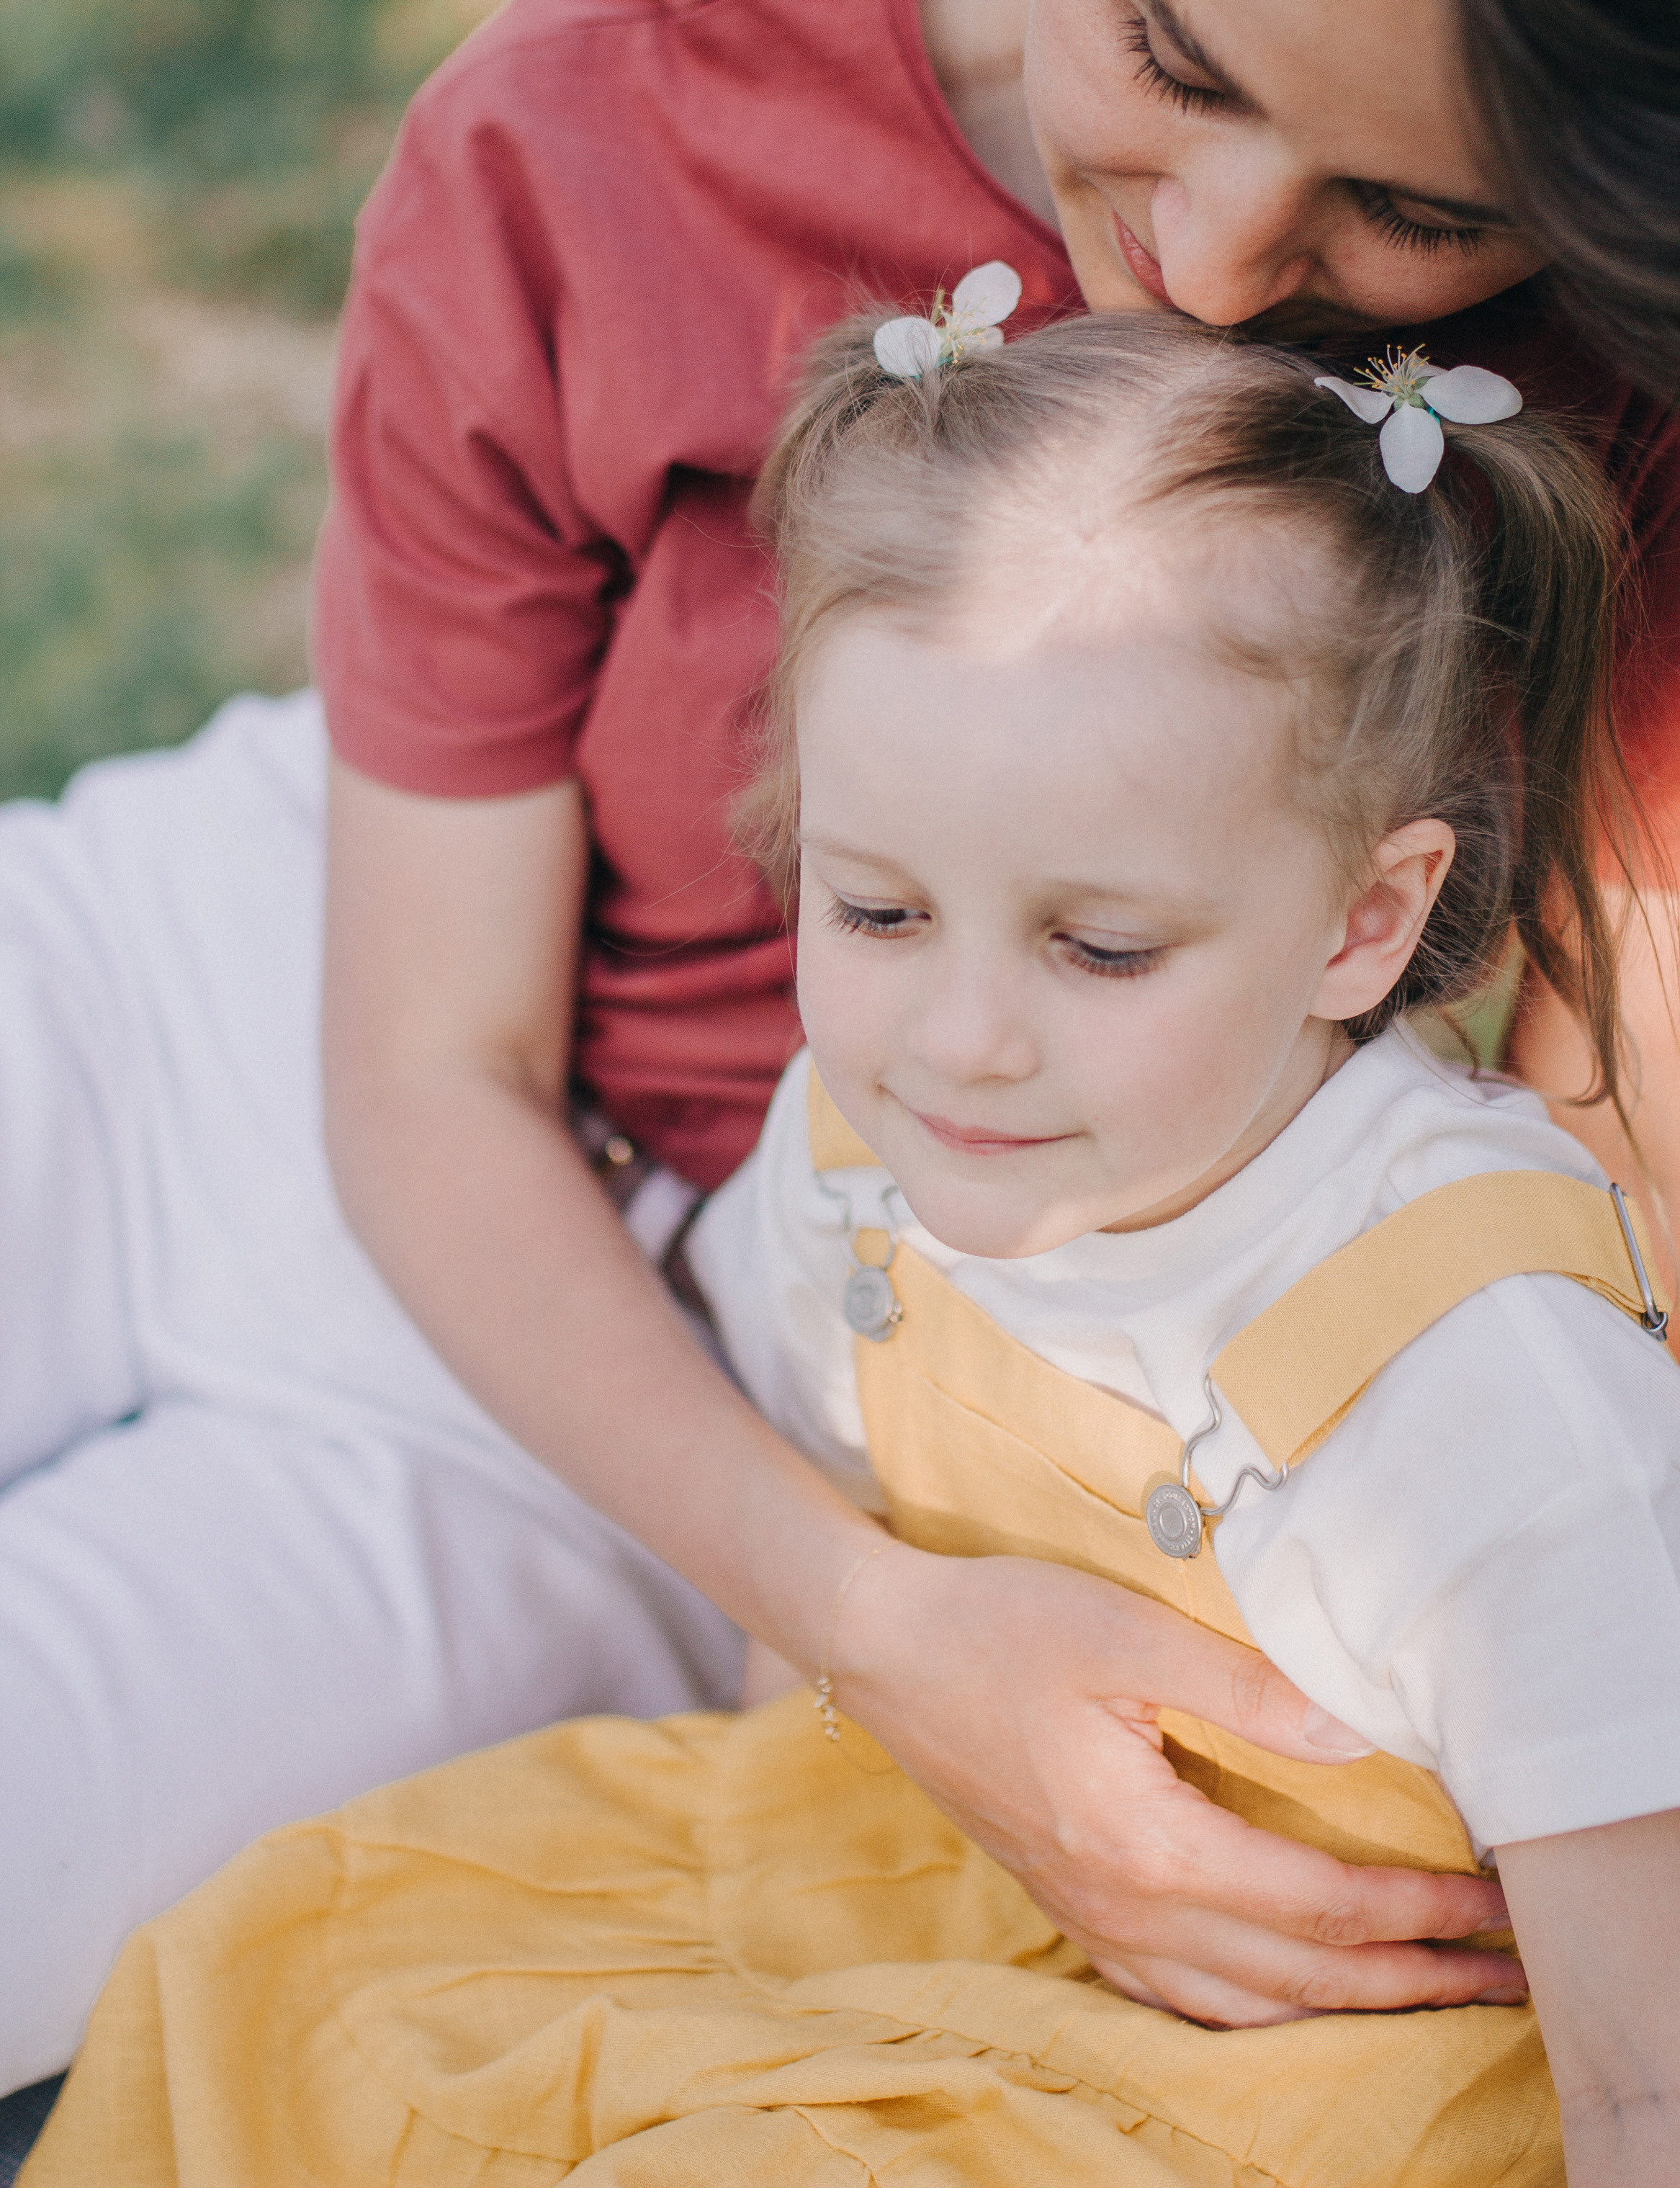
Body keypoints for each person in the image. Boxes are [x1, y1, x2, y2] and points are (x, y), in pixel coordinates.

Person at [6, 0, 1680, 2091]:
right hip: (255, 956)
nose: (1213, 264)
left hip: (669, 1421)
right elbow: (420, 1064)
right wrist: (901, 1650)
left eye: (1416, 210)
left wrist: (882, 1611)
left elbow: (1587, 1240)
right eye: (1173, 56)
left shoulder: (1616, 404)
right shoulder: (594, 124)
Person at [30, 308, 1680, 2187]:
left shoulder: (1487, 1382)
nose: (956, 1035)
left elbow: (1650, 2076)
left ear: (1364, 925)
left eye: (1102, 946)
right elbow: (796, 1609)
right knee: (297, 1981)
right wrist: (730, 1939)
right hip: (917, 1896)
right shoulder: (860, 1155)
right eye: (879, 906)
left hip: (1304, 2092)